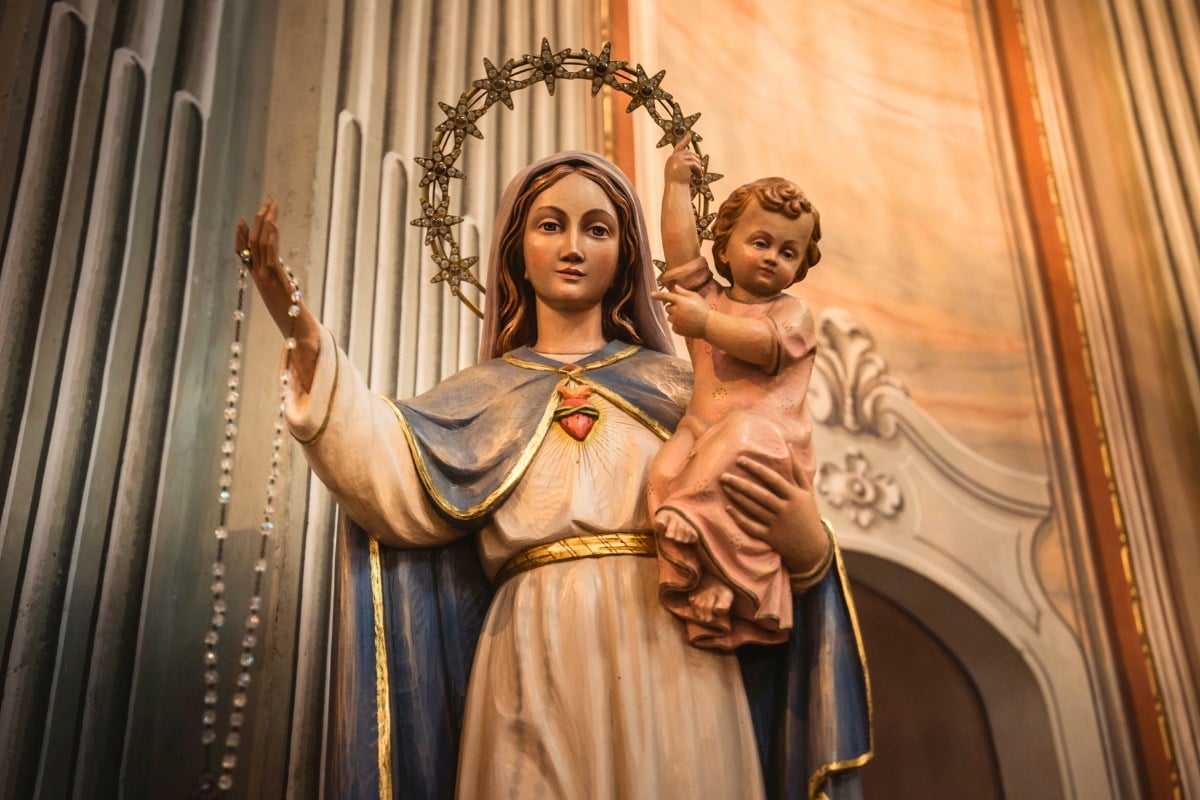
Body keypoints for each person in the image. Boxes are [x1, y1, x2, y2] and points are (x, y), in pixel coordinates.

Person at [235, 150, 870, 799]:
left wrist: (810, 550)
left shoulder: (689, 389)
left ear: (626, 252)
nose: (573, 246)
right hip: (530, 649)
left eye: (597, 228)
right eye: (550, 225)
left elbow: (773, 497)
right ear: (517, 248)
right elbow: (384, 473)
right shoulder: (478, 398)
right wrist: (303, 338)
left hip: (677, 652)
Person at [648, 136, 832, 650]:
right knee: (663, 471)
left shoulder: (791, 313)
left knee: (731, 446)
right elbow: (680, 251)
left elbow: (764, 345)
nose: (773, 258)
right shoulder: (707, 299)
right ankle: (705, 581)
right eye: (761, 242)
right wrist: (676, 185)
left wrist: (705, 322)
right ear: (724, 247)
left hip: (764, 441)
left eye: (788, 252)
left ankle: (724, 564)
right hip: (702, 431)